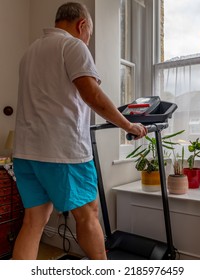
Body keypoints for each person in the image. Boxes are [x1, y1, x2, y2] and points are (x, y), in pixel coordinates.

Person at [12, 2, 147, 260]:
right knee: (87, 215)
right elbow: (92, 95)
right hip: (62, 152)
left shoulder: (30, 51)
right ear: (82, 25)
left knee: (33, 222)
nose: (87, 39)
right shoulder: (73, 45)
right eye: (89, 34)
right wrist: (129, 125)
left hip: (26, 153)